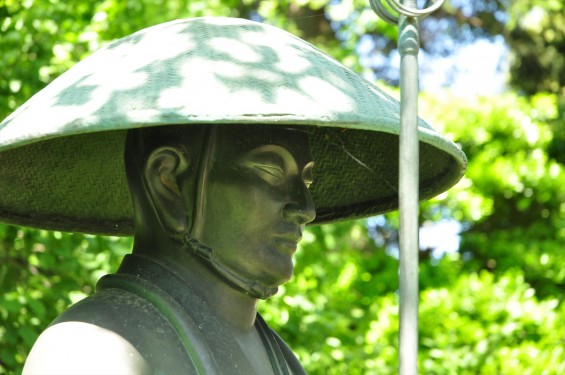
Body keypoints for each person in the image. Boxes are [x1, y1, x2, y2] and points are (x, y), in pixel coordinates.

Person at [0, 17, 466, 374]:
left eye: (305, 180)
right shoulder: (96, 347)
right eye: (269, 169)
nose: (305, 209)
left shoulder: (278, 357)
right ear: (169, 182)